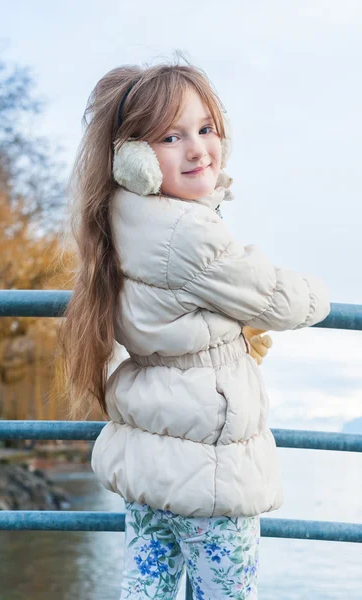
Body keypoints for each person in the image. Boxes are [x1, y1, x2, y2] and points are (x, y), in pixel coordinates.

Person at [57, 56, 330, 599]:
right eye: (171, 137)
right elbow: (278, 299)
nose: (197, 148)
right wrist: (320, 293)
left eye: (205, 128)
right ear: (133, 157)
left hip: (150, 459)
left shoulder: (121, 215)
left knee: (147, 588)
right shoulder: (187, 232)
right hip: (208, 465)